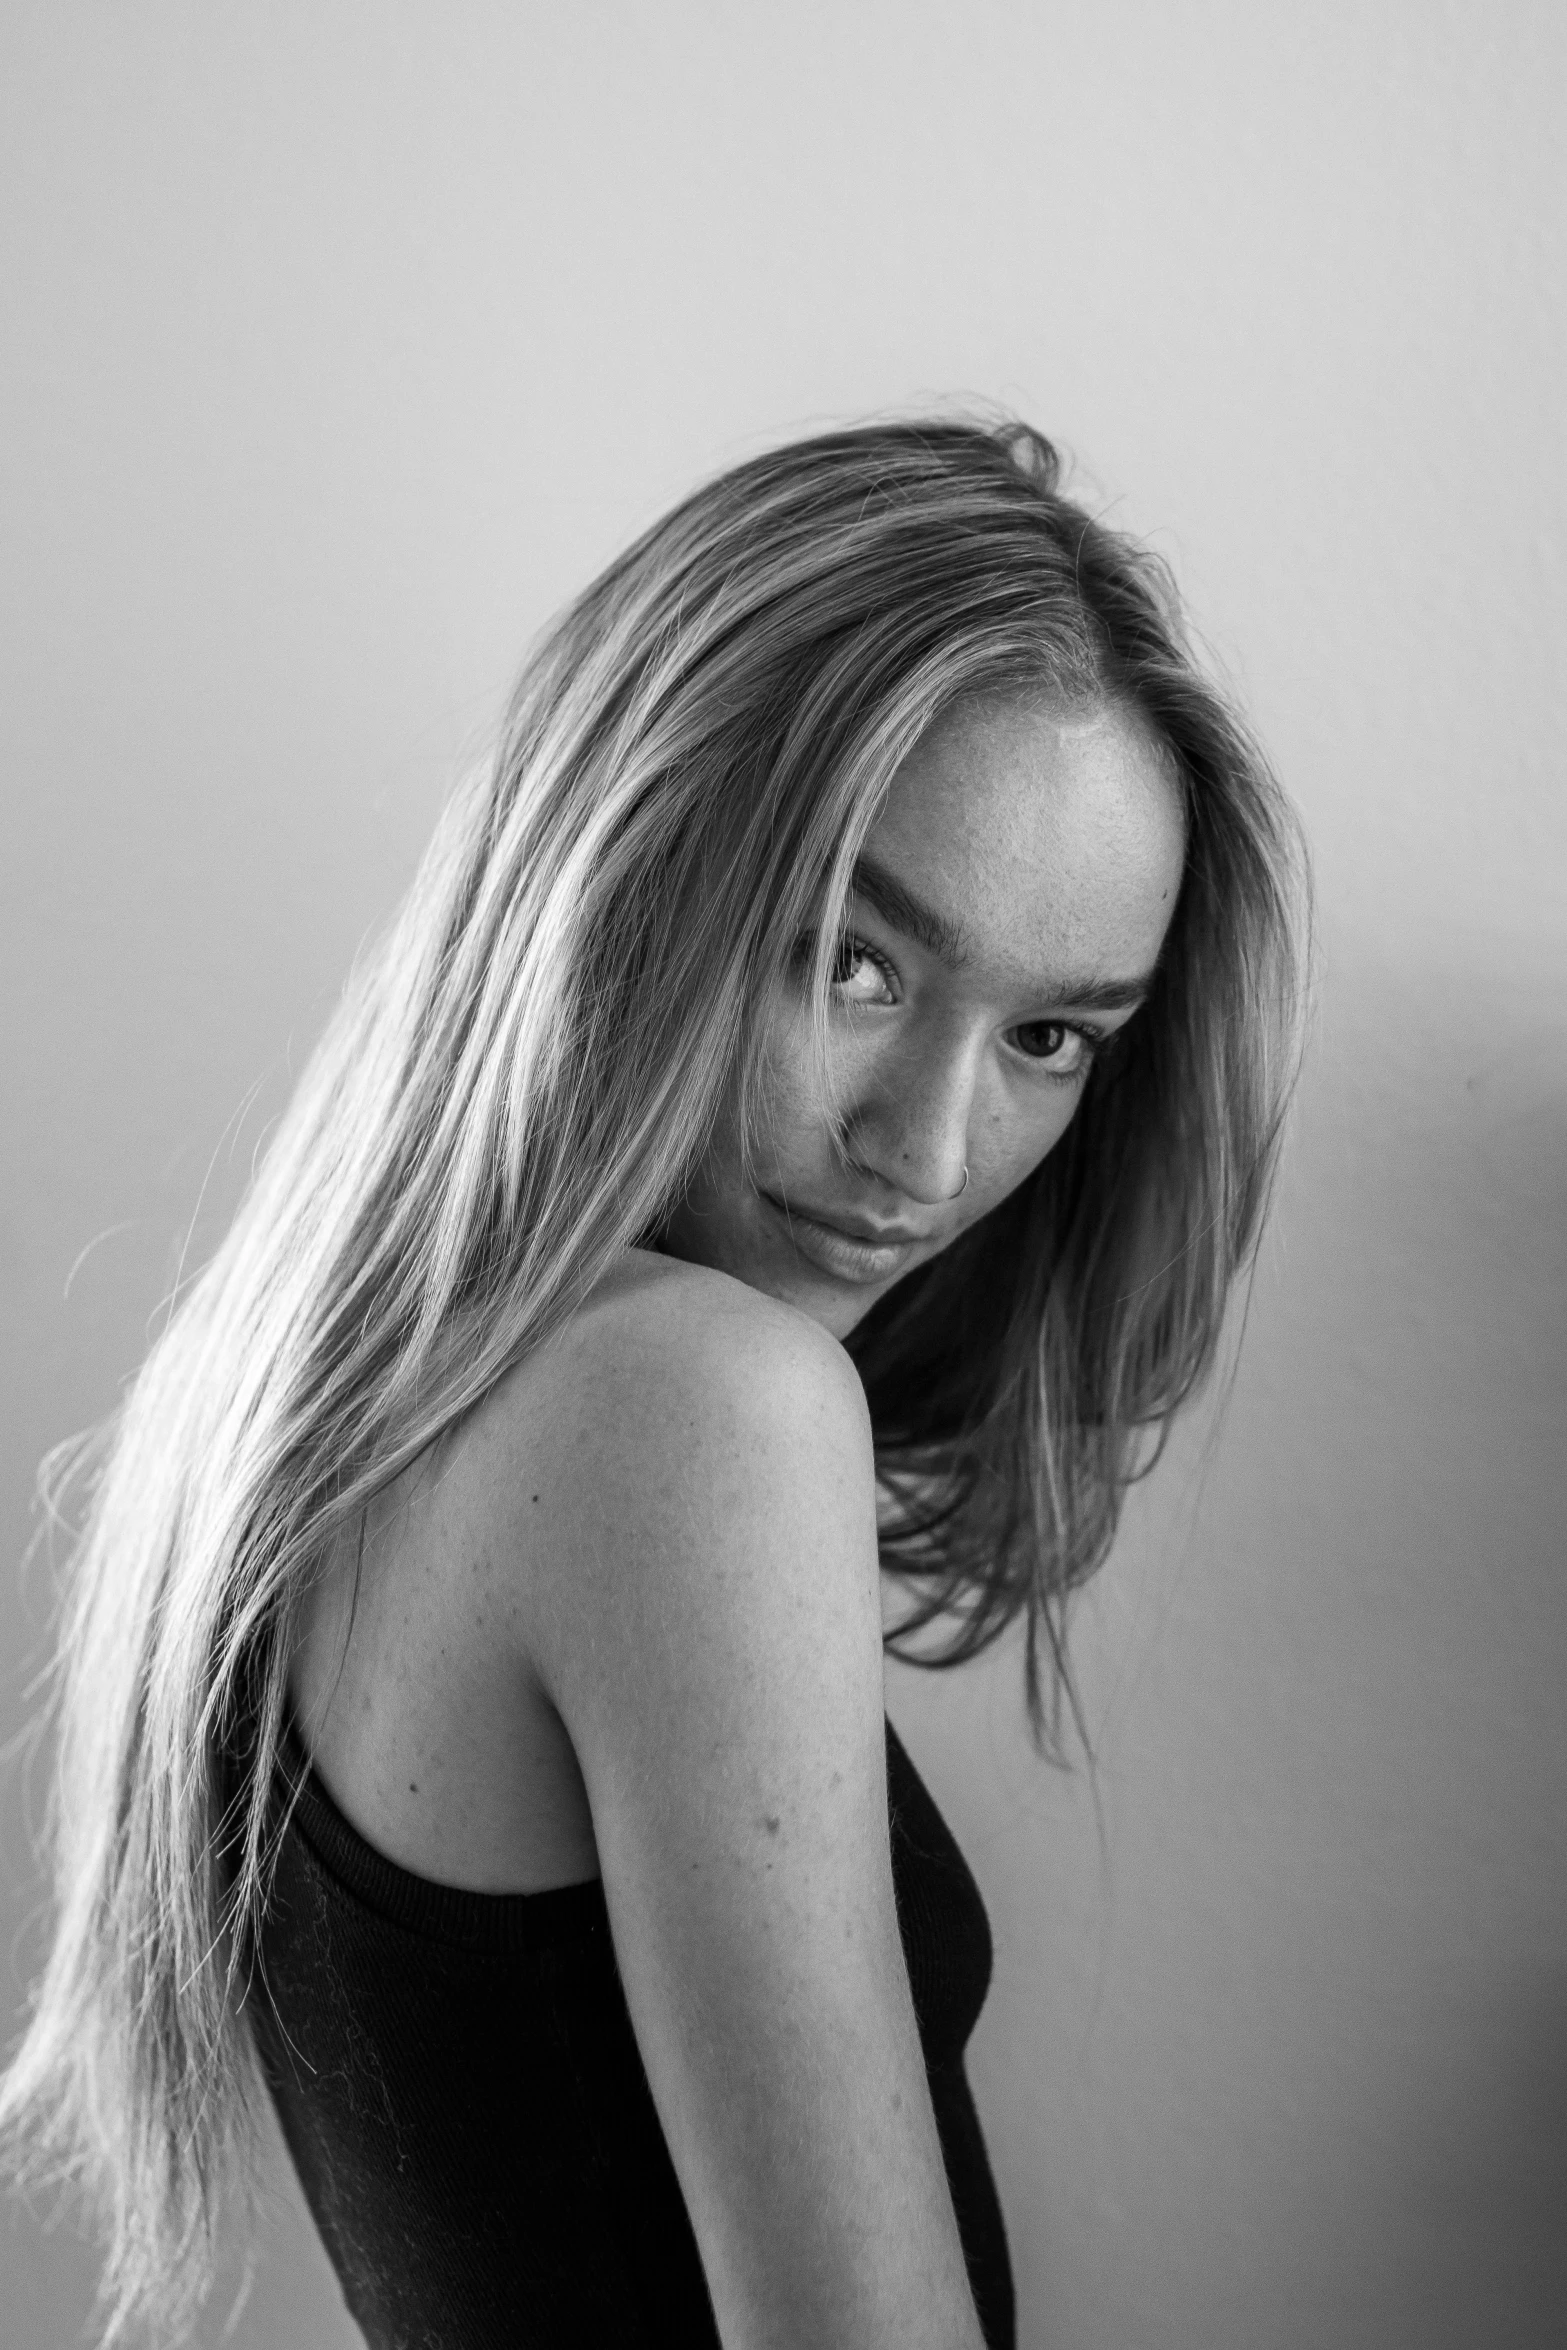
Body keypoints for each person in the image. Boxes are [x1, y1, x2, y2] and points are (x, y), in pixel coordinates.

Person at [0, 416, 1308, 2349]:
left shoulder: (329, 1386)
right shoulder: (701, 1406)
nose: (930, 1151)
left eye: (1047, 1033)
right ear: (624, 860)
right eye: (851, 962)